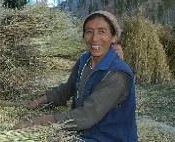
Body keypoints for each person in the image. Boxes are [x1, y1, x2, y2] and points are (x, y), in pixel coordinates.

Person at [15, 11, 137, 141]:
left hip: (107, 138)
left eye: (102, 32)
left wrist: (39, 121)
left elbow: (86, 116)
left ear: (113, 37)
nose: (94, 38)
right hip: (84, 133)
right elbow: (67, 89)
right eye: (89, 31)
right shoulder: (85, 61)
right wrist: (38, 102)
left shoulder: (117, 74)